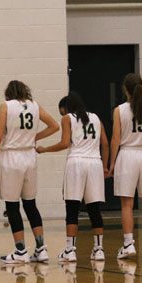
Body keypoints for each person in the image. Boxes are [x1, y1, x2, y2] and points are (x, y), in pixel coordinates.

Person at [0, 80, 59, 264]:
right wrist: (34, 137)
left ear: (8, 93)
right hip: (29, 157)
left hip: (11, 157)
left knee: (12, 206)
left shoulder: (6, 106)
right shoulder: (35, 105)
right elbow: (54, 126)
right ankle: (41, 249)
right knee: (30, 204)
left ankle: (20, 251)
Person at [37, 92, 107, 263]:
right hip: (95, 162)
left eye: (62, 112)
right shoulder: (96, 117)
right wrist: (105, 166)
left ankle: (70, 250)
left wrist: (44, 149)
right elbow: (104, 143)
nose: (62, 115)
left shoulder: (68, 118)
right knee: (94, 208)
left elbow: (64, 143)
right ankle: (98, 249)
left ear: (66, 108)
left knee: (72, 207)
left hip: (77, 162)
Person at [109, 73, 142, 260]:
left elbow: (115, 139)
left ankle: (129, 244)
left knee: (127, 204)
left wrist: (112, 163)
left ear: (126, 89)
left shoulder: (119, 110)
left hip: (128, 155)